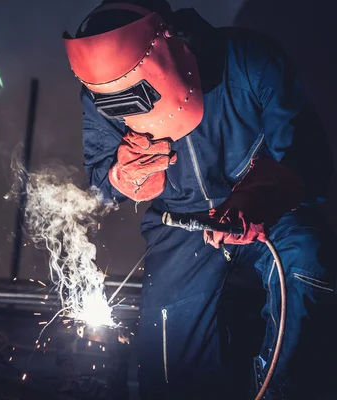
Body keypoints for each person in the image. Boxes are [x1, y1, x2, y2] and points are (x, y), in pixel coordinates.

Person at [63, 0, 336, 399]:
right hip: (180, 225)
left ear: (169, 42)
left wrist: (259, 195)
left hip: (271, 210)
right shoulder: (101, 91)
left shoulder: (247, 58)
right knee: (169, 363)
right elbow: (101, 186)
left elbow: (308, 158)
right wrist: (124, 175)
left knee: (307, 264)